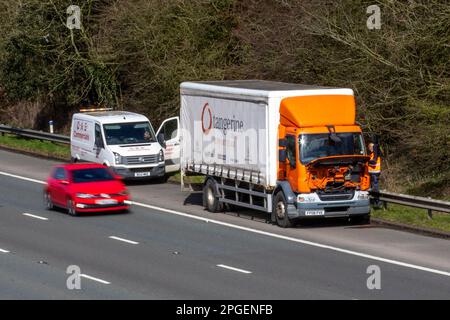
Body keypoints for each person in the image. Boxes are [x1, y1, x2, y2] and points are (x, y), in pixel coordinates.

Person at [368, 142, 382, 207]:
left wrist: (366, 161)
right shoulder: (371, 154)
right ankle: (375, 201)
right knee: (372, 188)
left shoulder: (376, 154)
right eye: (369, 147)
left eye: (371, 147)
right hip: (371, 173)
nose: (370, 148)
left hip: (375, 173)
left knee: (375, 188)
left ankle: (378, 202)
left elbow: (373, 163)